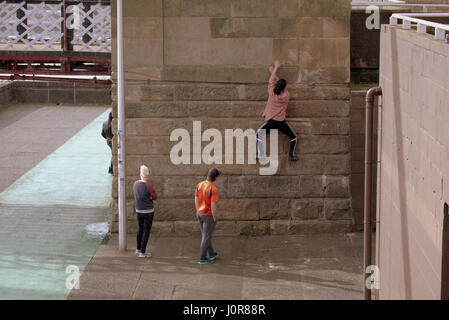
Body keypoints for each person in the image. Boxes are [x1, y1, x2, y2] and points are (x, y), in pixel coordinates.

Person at [256, 60, 298, 162]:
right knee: (294, 137)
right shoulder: (286, 96)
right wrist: (273, 71)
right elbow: (278, 84)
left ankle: (260, 155)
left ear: (276, 86)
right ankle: (291, 155)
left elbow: (272, 81)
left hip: (271, 121)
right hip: (281, 122)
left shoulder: (271, 92)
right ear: (284, 88)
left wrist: (275, 69)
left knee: (257, 134)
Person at [195, 168, 220, 264]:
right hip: (208, 215)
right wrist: (215, 217)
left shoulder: (199, 185)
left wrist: (198, 211)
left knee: (206, 235)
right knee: (205, 237)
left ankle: (212, 253)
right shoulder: (213, 189)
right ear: (215, 177)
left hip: (199, 213)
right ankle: (202, 258)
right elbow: (213, 205)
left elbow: (196, 199)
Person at [133, 165, 158, 258]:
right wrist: (150, 197)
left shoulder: (135, 184)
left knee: (140, 229)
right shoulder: (148, 186)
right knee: (146, 231)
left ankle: (138, 248)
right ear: (148, 175)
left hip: (139, 210)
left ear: (140, 174)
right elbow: (154, 196)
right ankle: (143, 252)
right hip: (148, 211)